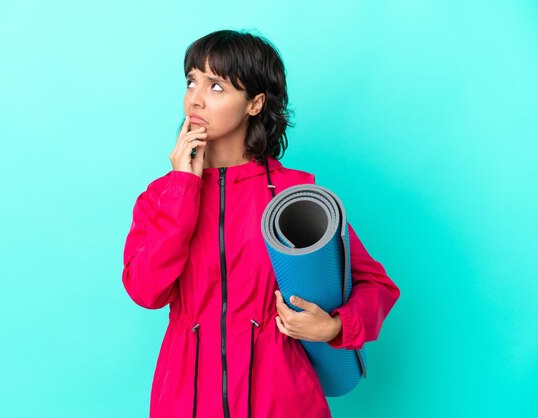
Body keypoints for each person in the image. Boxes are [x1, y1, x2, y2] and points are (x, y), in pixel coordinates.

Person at [122, 29, 400, 418]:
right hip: (184, 403)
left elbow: (376, 285)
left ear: (254, 103)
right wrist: (184, 187)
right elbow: (146, 291)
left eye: (216, 86)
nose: (195, 99)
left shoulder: (294, 195)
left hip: (282, 401)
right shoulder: (161, 197)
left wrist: (335, 327)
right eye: (191, 81)